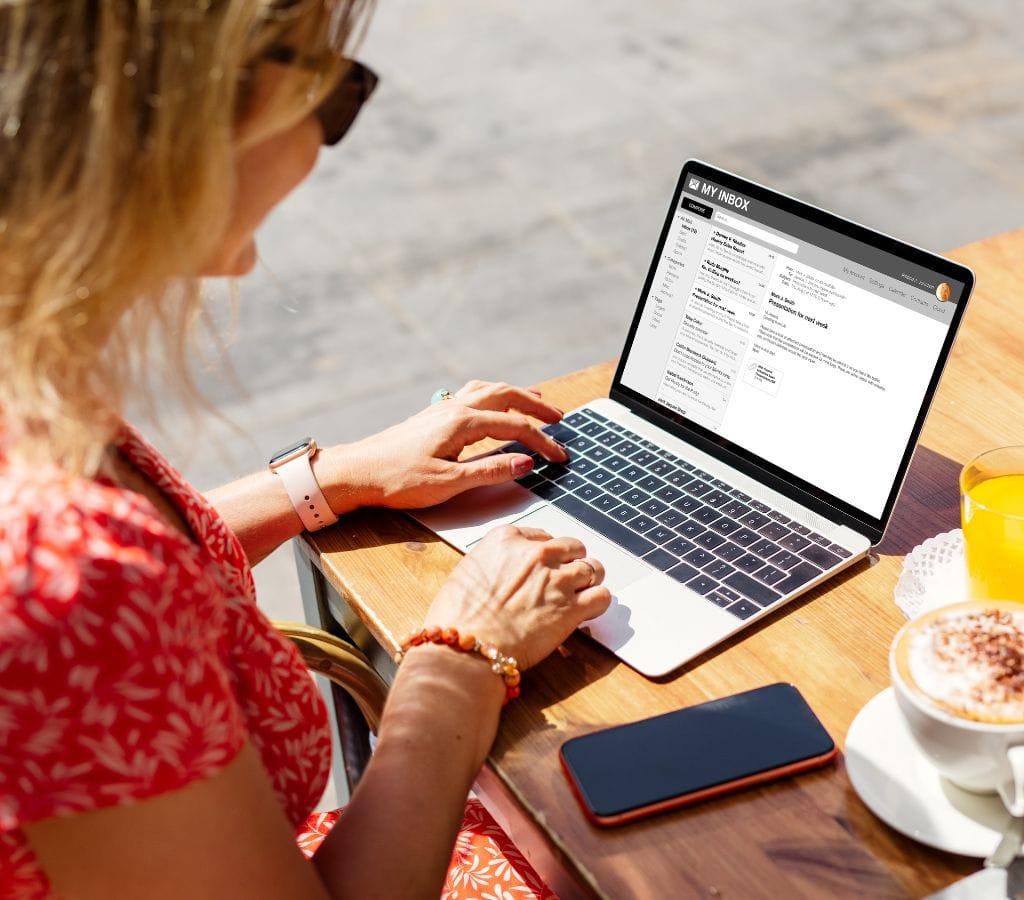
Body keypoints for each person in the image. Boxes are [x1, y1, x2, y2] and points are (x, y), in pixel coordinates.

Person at [0, 3, 611, 898]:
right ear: (185, 105)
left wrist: (323, 482)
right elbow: (88, 601)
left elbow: (130, 605)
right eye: (330, 85)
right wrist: (459, 658)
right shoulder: (65, 575)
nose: (331, 129)